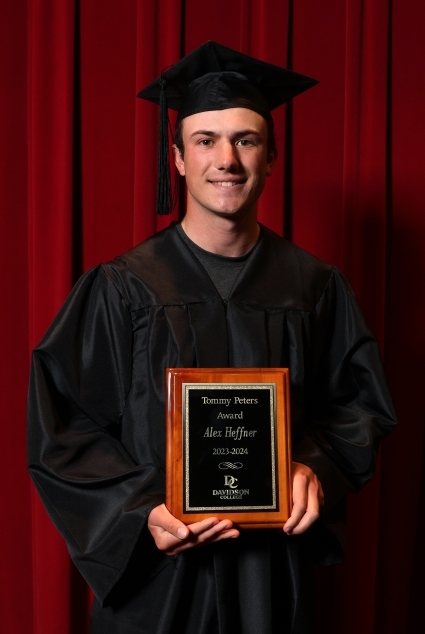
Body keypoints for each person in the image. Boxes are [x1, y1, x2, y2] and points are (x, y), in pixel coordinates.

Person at [28, 42, 396, 634]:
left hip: (272, 575)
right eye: (205, 141)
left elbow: (360, 404)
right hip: (160, 577)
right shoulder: (123, 288)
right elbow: (64, 422)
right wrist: (142, 510)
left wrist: (312, 466)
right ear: (176, 159)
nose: (226, 159)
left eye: (245, 140)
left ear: (271, 157)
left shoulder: (314, 287)